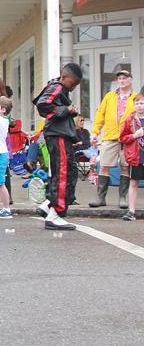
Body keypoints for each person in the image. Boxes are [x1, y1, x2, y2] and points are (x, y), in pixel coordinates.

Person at [33, 63, 82, 231]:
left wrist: (68, 111)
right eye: (73, 84)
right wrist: (66, 109)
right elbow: (43, 105)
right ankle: (56, 214)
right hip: (58, 135)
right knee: (63, 173)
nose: (73, 87)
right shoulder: (57, 86)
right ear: (64, 77)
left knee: (68, 172)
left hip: (60, 134)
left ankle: (48, 205)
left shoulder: (59, 88)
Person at [89, 69, 136, 208]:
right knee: (103, 166)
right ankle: (100, 197)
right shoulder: (110, 96)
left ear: (130, 80)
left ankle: (122, 198)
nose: (121, 81)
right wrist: (95, 132)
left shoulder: (136, 98)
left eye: (124, 78)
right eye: (120, 78)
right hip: (110, 136)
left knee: (125, 167)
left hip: (128, 139)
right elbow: (100, 116)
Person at [118, 92, 144, 221]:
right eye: (137, 103)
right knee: (134, 182)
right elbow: (122, 137)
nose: (140, 106)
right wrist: (134, 136)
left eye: (142, 103)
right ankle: (131, 211)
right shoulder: (130, 120)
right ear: (134, 105)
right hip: (136, 156)